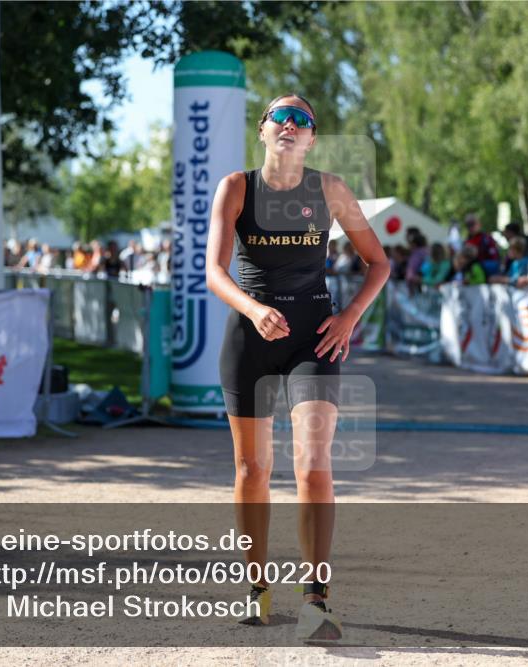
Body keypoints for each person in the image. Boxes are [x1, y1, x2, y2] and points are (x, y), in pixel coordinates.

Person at [205, 93, 389, 640]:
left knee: (313, 464)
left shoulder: (330, 189)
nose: (289, 125)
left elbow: (378, 262)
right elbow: (214, 272)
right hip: (250, 336)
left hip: (314, 339)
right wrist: (254, 308)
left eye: (301, 119)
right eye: (279, 118)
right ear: (262, 131)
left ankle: (317, 597)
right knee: (252, 470)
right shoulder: (236, 187)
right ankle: (257, 588)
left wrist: (350, 316)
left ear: (311, 138)